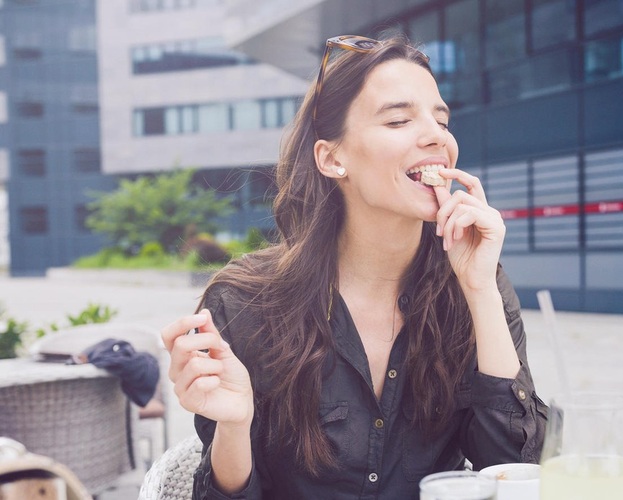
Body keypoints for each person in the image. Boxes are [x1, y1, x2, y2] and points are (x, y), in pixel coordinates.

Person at [161, 31, 548, 499]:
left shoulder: (474, 286)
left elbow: (514, 471)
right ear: (332, 157)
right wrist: (235, 424)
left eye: (441, 120)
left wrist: (480, 290)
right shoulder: (244, 304)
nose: (436, 137)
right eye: (399, 120)